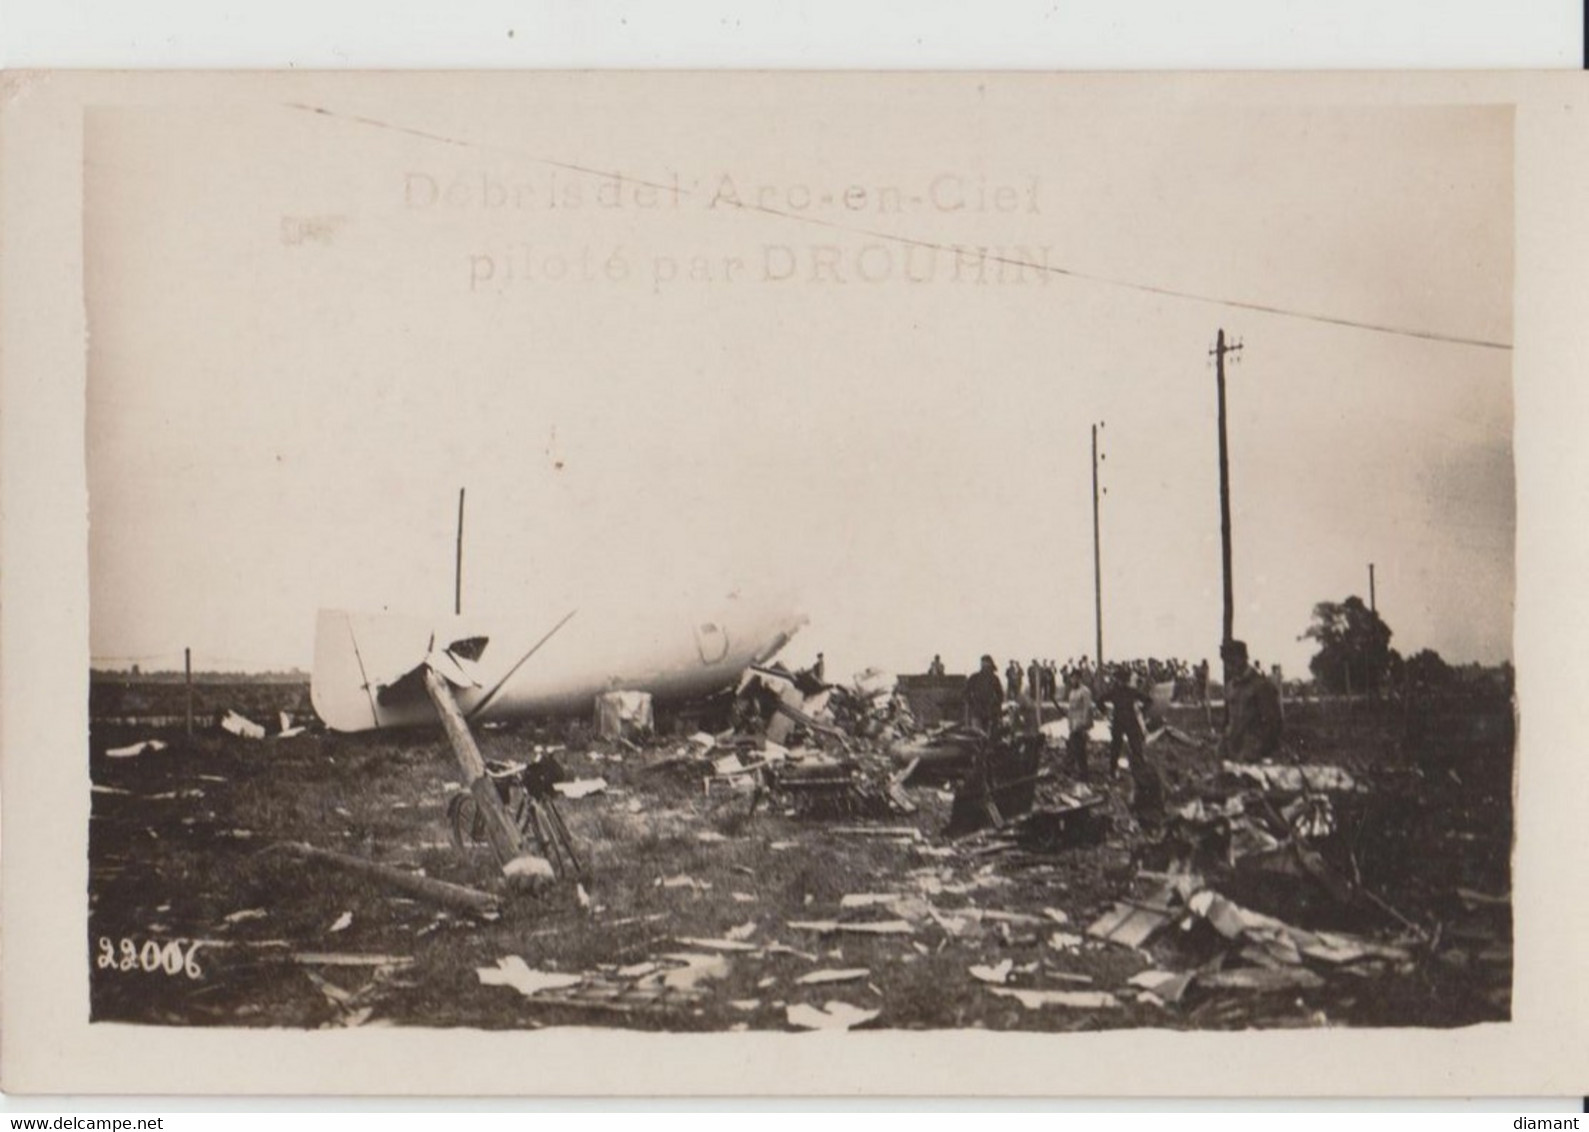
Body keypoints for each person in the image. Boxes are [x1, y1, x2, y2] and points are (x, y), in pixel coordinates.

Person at [1219, 639, 1283, 762]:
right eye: (1226, 662)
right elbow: (1228, 721)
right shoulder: (1231, 687)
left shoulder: (1260, 685)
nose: (1229, 666)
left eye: (1232, 661)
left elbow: (1274, 724)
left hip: (1253, 754)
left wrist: (1257, 749)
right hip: (1233, 751)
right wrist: (1223, 745)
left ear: (1243, 658)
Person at [1064, 670, 1094, 777]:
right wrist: (1070, 723)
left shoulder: (1085, 691)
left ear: (1080, 679)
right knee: (1073, 746)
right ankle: (1071, 769)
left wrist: (1084, 723)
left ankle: (1082, 772)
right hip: (1074, 722)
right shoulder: (1072, 692)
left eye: (1076, 678)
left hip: (1081, 722)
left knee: (1079, 748)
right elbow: (1070, 709)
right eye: (1072, 678)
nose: (1074, 680)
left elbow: (1087, 708)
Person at [966, 655, 1005, 736]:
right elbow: (966, 693)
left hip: (989, 712)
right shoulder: (975, 677)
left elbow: (1000, 696)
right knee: (977, 736)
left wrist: (996, 706)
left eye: (986, 664)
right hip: (978, 711)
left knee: (987, 737)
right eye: (983, 663)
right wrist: (972, 703)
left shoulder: (994, 679)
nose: (985, 665)